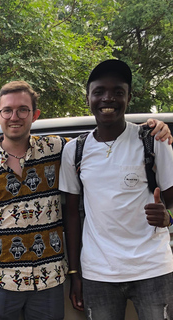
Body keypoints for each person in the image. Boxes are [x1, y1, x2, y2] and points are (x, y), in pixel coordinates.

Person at [0, 80, 172, 320]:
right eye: (7, 110)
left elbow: (105, 142)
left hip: (47, 279)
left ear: (34, 115)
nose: (14, 116)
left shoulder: (58, 148)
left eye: (23, 109)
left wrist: (152, 128)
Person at [59, 59, 173, 320]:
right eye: (99, 91)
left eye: (117, 92)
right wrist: (75, 274)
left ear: (128, 97)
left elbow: (171, 202)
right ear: (88, 97)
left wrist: (168, 218)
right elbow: (73, 216)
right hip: (98, 273)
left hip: (153, 268)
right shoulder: (74, 151)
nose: (107, 98)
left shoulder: (154, 140)